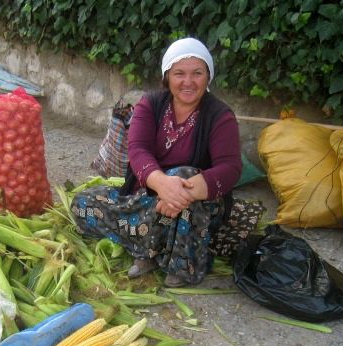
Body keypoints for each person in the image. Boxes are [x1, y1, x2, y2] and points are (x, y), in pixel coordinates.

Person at [71, 37, 242, 287]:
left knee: (183, 174)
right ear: (167, 76)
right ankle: (155, 247)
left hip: (197, 207)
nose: (188, 82)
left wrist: (181, 193)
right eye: (179, 73)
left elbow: (230, 168)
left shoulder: (220, 116)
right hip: (149, 197)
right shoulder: (150, 104)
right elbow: (138, 150)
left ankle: (179, 265)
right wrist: (163, 185)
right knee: (82, 204)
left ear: (208, 76)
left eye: (197, 73)